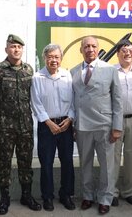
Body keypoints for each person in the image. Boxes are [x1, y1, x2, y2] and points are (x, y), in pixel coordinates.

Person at [0, 34, 41, 215]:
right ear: (6, 49)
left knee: (26, 162)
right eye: (12, 46)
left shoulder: (29, 70)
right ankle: (5, 198)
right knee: (4, 163)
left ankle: (26, 195)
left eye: (19, 47)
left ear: (22, 50)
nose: (16, 50)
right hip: (5, 127)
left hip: (25, 125)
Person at [70, 36, 123, 215]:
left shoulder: (110, 70)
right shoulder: (74, 71)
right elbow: (72, 100)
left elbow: (117, 100)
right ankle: (87, 196)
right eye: (86, 46)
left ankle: (105, 198)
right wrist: (73, 125)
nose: (90, 49)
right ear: (81, 50)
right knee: (84, 163)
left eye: (93, 46)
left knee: (107, 165)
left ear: (98, 48)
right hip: (82, 126)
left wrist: (117, 127)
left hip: (104, 125)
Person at [30, 44, 75, 211]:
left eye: (56, 57)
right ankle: (47, 197)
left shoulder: (67, 76)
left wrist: (70, 119)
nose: (53, 60)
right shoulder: (37, 77)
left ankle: (66, 195)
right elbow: (36, 103)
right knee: (46, 163)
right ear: (45, 58)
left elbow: (73, 101)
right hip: (46, 126)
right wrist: (49, 123)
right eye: (50, 57)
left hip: (65, 125)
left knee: (67, 162)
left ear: (61, 59)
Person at [111, 40, 132, 207]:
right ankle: (112, 192)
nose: (128, 53)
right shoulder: (110, 72)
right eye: (124, 50)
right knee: (113, 157)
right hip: (115, 121)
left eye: (131, 50)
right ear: (118, 54)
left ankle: (128, 191)